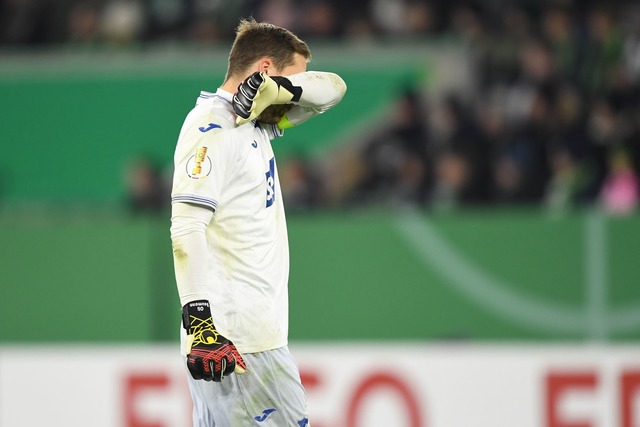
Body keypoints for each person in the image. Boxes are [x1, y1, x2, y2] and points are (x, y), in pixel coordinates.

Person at [170, 18, 346, 426]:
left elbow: (333, 90)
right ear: (265, 67)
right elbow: (187, 227)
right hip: (235, 341)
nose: (296, 95)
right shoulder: (212, 126)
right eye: (293, 80)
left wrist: (275, 89)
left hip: (251, 339)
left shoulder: (256, 123)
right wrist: (201, 325)